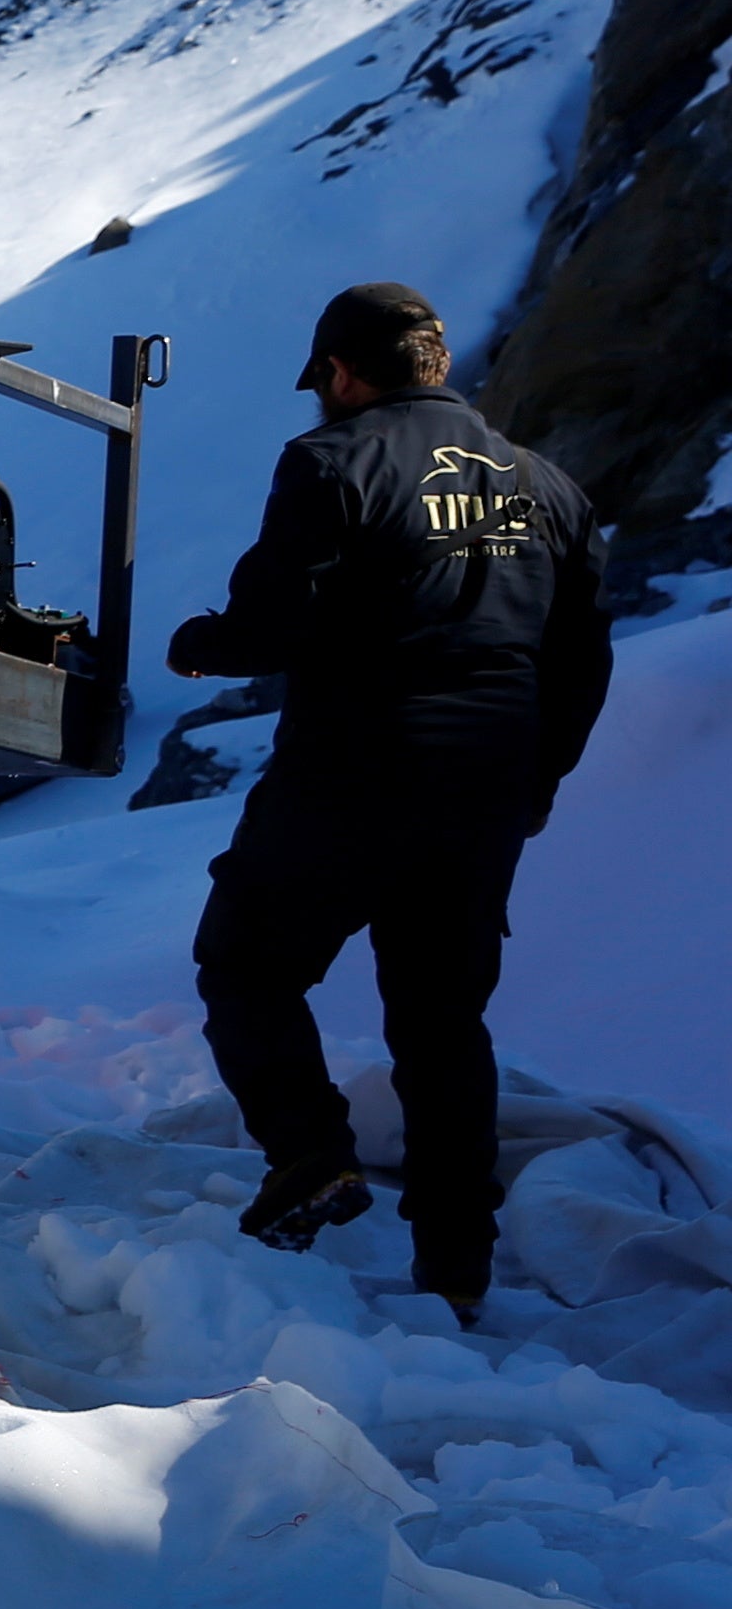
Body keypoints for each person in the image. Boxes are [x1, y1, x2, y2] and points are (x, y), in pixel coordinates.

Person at [165, 280, 611, 1319]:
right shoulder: (550, 487)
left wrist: (198, 646)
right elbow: (582, 662)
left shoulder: (330, 461)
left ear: (340, 372)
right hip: (486, 788)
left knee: (247, 965)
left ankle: (312, 1155)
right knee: (444, 1024)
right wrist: (536, 782)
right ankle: (457, 1273)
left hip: (351, 774)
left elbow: (272, 625)